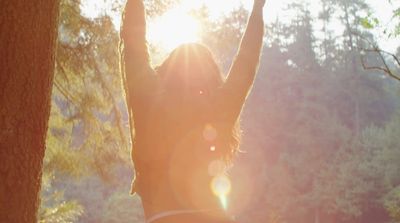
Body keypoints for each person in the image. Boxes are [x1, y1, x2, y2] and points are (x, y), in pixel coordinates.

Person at [120, 0, 265, 222]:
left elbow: (133, 46)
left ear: (168, 69)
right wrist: (257, 10)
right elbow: (246, 62)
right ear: (211, 77)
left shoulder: (149, 100)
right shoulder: (219, 109)